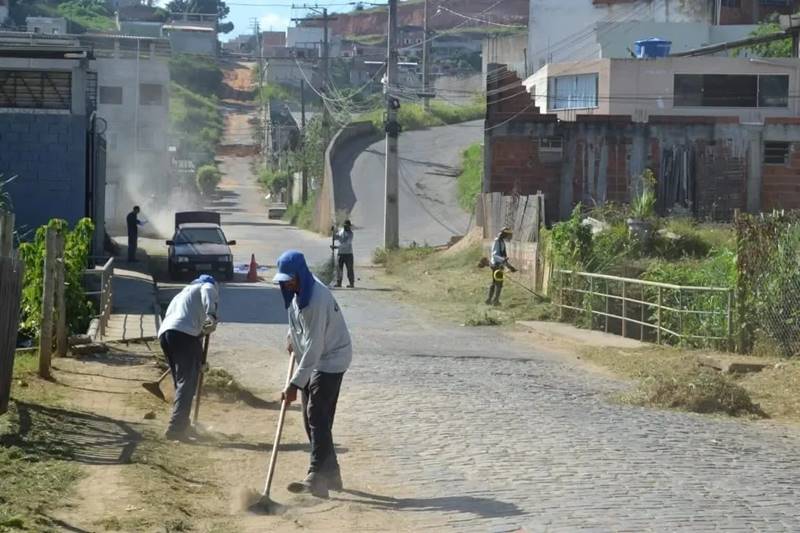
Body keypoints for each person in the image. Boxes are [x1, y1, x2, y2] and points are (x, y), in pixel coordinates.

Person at [273, 250, 352, 498]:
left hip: (332, 358)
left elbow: (315, 347)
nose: (287, 284)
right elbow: (296, 320)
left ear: (301, 275)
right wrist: (290, 337)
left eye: (290, 279)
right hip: (314, 359)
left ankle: (317, 475)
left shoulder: (316, 299)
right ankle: (332, 473)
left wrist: (294, 384)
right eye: (284, 280)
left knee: (316, 413)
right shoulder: (295, 291)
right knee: (314, 420)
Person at [157, 275, 219, 441]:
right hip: (184, 335)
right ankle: (176, 428)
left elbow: (193, 331)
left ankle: (183, 424)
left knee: (181, 383)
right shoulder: (206, 286)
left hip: (166, 335)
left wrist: (198, 362)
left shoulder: (181, 295)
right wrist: (211, 315)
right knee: (187, 384)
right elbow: (207, 290)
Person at [486, 227, 516, 307]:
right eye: (508, 234)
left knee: (495, 282)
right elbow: (495, 255)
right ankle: (495, 301)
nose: (508, 236)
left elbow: (503, 257)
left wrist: (510, 267)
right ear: (504, 234)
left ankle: (489, 300)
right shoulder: (497, 241)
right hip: (496, 265)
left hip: (498, 264)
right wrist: (503, 260)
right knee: (499, 283)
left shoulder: (501, 241)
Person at [332, 220, 355, 288]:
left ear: (349, 226)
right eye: (345, 226)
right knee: (339, 268)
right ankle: (339, 282)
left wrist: (337, 247)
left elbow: (346, 243)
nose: (346, 227)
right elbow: (336, 237)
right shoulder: (341, 231)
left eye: (347, 226)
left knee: (349, 269)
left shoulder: (350, 234)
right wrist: (333, 232)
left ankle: (351, 283)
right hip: (340, 253)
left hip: (348, 254)